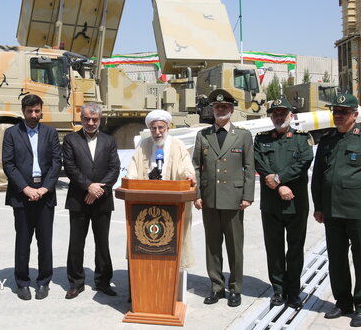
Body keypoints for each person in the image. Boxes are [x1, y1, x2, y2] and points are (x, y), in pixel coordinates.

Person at [311, 93, 361, 327]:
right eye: (335, 111)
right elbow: (318, 178)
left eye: (343, 112)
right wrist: (319, 207)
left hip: (359, 211)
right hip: (332, 212)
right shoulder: (326, 140)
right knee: (336, 260)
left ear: (355, 115)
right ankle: (343, 303)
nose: (338, 115)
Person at [192, 89, 255, 307]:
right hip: (209, 198)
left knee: (235, 246)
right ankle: (216, 286)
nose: (221, 110)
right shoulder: (203, 135)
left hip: (235, 198)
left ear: (231, 109)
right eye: (217, 107)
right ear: (213, 109)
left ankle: (235, 288)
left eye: (225, 107)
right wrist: (197, 194)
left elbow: (249, 167)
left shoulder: (243, 135)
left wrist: (248, 196)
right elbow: (196, 167)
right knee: (212, 245)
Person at [254, 97, 314, 309]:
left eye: (283, 113)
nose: (279, 116)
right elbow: (260, 164)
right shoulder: (261, 139)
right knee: (274, 248)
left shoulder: (302, 138)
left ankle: (293, 291)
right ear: (271, 116)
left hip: (296, 204)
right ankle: (278, 290)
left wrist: (279, 179)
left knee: (295, 250)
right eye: (275, 113)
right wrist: (279, 186)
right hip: (271, 204)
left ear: (291, 115)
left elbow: (303, 162)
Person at [3, 94, 61, 301]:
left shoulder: (50, 133)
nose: (34, 115)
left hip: (45, 195)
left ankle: (44, 281)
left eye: (37, 111)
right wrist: (25, 188)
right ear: (23, 111)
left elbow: (56, 163)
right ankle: (22, 282)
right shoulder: (11, 133)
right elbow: (8, 164)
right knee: (23, 241)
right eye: (29, 111)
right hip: (22, 195)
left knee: (45, 242)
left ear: (41, 110)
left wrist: (45, 188)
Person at [63, 103, 121, 299]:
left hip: (102, 200)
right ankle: (76, 282)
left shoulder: (109, 140)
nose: (90, 122)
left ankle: (103, 281)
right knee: (76, 243)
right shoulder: (71, 140)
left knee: (102, 243)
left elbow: (115, 168)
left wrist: (98, 189)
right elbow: (70, 167)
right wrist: (88, 186)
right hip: (79, 200)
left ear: (100, 120)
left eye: (94, 119)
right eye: (87, 119)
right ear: (81, 119)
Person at [126, 109, 196, 270]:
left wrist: (189, 176)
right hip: (146, 204)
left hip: (172, 205)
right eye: (153, 128)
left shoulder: (177, 145)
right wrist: (131, 181)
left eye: (161, 128)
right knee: (146, 242)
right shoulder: (144, 145)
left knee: (170, 244)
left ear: (167, 128)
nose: (157, 132)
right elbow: (133, 170)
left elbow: (186, 167)